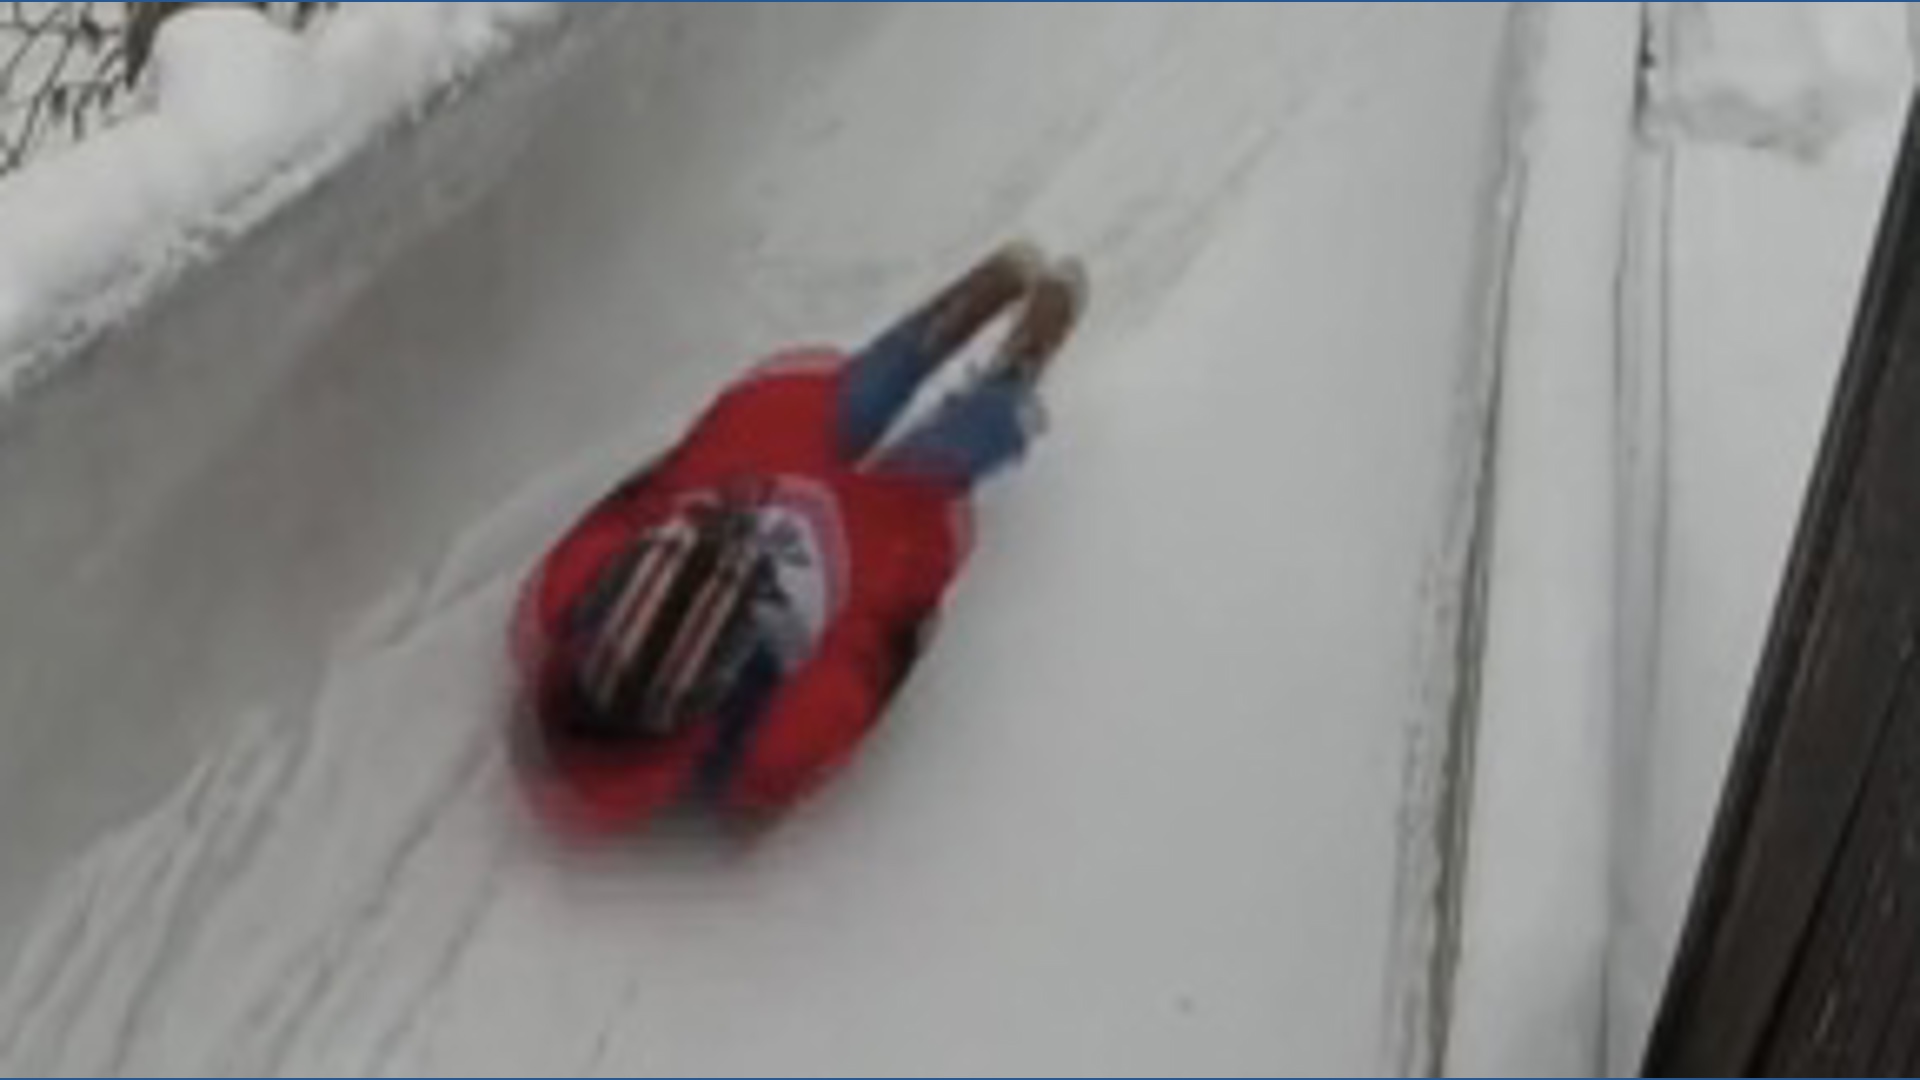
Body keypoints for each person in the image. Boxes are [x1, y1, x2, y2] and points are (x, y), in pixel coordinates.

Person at [511, 243, 1087, 834]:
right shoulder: (763, 751)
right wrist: (893, 601)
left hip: (745, 480)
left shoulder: (560, 604)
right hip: (837, 555)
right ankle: (997, 369)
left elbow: (628, 502)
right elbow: (861, 668)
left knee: (829, 417)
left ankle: (976, 357)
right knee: (905, 451)